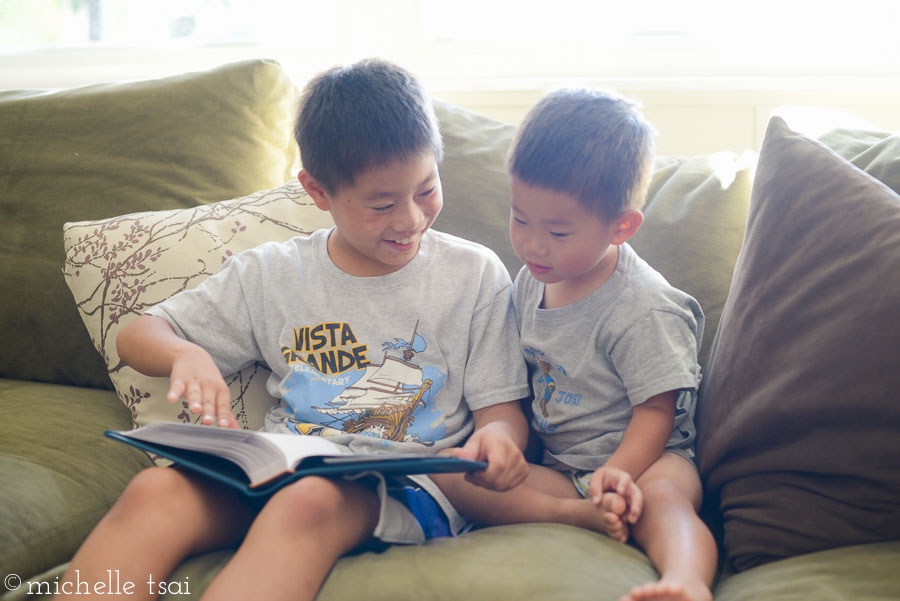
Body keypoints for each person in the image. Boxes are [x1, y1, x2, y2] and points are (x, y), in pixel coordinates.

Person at [53, 58, 531, 601]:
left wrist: (498, 441)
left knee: (308, 502)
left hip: (406, 486)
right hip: (278, 467)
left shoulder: (473, 274)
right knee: (154, 492)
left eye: (425, 190)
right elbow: (136, 334)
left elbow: (503, 415)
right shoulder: (272, 275)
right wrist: (185, 355)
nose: (410, 220)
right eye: (381, 204)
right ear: (317, 190)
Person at [434, 89, 717, 601]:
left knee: (665, 502)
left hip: (650, 459)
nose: (533, 245)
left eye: (559, 232)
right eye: (520, 219)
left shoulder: (643, 306)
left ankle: (686, 581)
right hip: (568, 474)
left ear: (621, 226)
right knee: (454, 476)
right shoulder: (529, 280)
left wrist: (619, 473)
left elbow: (658, 410)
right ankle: (576, 518)